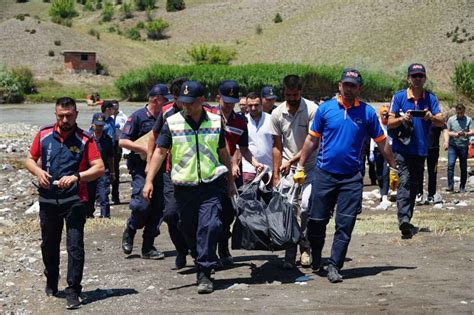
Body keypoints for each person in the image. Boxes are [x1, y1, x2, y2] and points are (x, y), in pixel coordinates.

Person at [295, 68, 397, 283]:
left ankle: (334, 265)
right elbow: (312, 140)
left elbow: (381, 142)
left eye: (353, 85)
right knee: (316, 221)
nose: (348, 88)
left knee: (345, 223)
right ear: (339, 85)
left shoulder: (368, 113)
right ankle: (315, 255)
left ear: (359, 88)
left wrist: (394, 166)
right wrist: (301, 166)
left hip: (351, 177)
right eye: (345, 84)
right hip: (324, 174)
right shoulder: (325, 109)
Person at [143, 80, 237, 294]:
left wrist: (230, 182)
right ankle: (197, 254)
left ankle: (204, 271)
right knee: (185, 226)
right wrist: (149, 181)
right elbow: (159, 152)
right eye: (183, 102)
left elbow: (224, 153)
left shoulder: (215, 121)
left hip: (211, 184)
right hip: (183, 186)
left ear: (202, 101)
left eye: (190, 103)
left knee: (211, 225)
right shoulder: (172, 122)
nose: (185, 106)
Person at [24, 97, 104, 309]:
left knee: (75, 246)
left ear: (76, 114)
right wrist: (38, 171)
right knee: (49, 245)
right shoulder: (44, 134)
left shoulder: (85, 139)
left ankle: (73, 290)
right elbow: (29, 159)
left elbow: (99, 168)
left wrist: (77, 176)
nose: (65, 119)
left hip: (76, 200)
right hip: (48, 200)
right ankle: (51, 278)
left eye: (69, 116)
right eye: (61, 116)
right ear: (55, 114)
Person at [387, 63, 444, 239]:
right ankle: (403, 219)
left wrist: (431, 117)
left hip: (421, 149)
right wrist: (402, 118)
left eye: (420, 76)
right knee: (404, 181)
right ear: (408, 78)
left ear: (425, 78)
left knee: (414, 186)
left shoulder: (431, 99)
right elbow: (389, 123)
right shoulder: (398, 97)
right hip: (402, 149)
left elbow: (441, 121)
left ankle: (407, 220)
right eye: (414, 76)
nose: (417, 79)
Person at [119, 84, 172, 259]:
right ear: (156, 100)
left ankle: (148, 247)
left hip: (162, 168)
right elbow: (122, 141)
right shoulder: (138, 117)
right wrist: (143, 148)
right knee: (142, 205)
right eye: (166, 100)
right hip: (141, 169)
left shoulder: (167, 117)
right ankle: (131, 228)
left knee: (158, 208)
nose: (168, 103)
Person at [270, 74, 318, 269]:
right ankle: (290, 251)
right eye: (288, 94)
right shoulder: (277, 113)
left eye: (295, 94)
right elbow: (276, 146)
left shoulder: (313, 110)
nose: (291, 98)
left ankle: (305, 248)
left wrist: (291, 160)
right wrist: (275, 175)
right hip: (286, 170)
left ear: (301, 92)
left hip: (311, 166)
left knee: (306, 206)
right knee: (288, 208)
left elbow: (312, 142)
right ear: (284, 92)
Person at [216, 80, 263, 266]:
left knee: (228, 214)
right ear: (218, 97)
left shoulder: (240, 121)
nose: (228, 104)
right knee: (211, 215)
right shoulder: (208, 116)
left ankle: (222, 248)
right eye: (225, 100)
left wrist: (255, 163)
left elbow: (243, 149)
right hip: (208, 172)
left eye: (232, 101)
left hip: (228, 176)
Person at [147, 77, 191, 269]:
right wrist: (150, 165)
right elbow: (154, 138)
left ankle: (201, 255)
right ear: (174, 97)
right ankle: (181, 249)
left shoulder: (203, 112)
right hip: (171, 173)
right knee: (171, 215)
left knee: (196, 218)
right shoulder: (166, 113)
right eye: (180, 97)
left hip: (198, 174)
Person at [86, 113, 115, 218]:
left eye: (101, 125)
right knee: (90, 193)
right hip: (90, 170)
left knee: (104, 194)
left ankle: (105, 216)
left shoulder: (107, 139)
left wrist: (112, 172)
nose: (99, 127)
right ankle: (88, 214)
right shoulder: (87, 138)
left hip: (103, 171)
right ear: (92, 124)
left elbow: (111, 157)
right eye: (97, 125)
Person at [242, 92, 274, 184]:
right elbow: (239, 148)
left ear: (261, 104)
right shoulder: (242, 121)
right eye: (250, 105)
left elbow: (278, 144)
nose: (253, 108)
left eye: (256, 105)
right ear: (246, 106)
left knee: (268, 197)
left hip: (268, 169)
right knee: (248, 197)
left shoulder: (271, 119)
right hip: (249, 169)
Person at [446, 103, 473, 193]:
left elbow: (472, 131)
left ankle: (462, 187)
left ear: (464, 111)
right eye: (458, 113)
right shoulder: (451, 119)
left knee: (463, 167)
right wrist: (456, 134)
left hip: (463, 146)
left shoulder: (469, 120)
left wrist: (466, 133)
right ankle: (450, 186)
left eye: (461, 113)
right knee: (450, 165)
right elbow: (447, 131)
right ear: (456, 111)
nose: (460, 114)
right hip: (453, 145)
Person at [369, 105, 391, 205]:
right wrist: (371, 151)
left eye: (386, 114)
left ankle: (385, 194)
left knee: (386, 172)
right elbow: (372, 137)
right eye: (383, 114)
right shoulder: (377, 122)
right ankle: (382, 189)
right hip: (378, 149)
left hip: (389, 148)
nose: (385, 116)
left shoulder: (391, 122)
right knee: (379, 172)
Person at [111, 100, 128, 204]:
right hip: (108, 144)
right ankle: (100, 197)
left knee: (116, 171)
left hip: (118, 144)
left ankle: (115, 196)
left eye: (116, 106)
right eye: (113, 107)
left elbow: (127, 132)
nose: (115, 109)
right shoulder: (107, 117)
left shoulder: (123, 117)